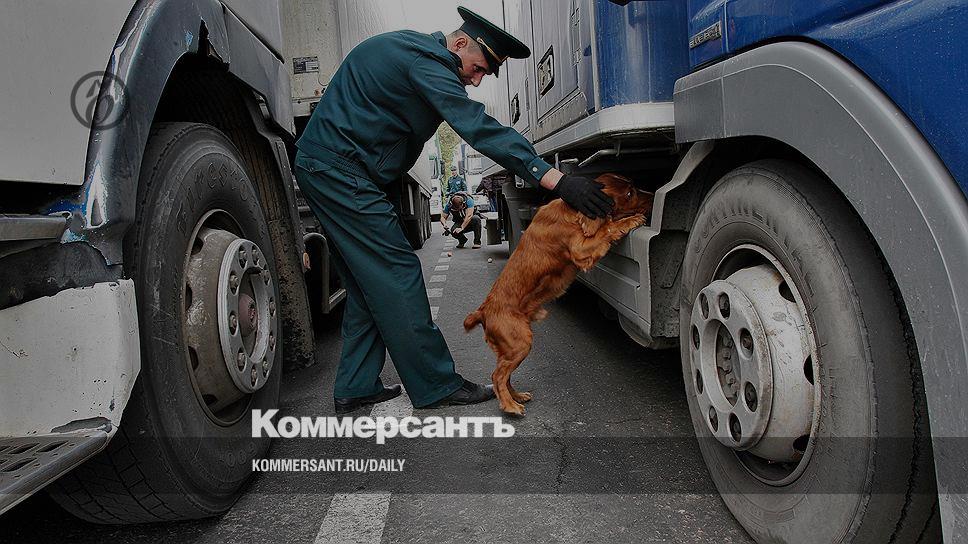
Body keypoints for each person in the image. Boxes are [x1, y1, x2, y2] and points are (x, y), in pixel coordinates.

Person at [292, 6, 614, 414]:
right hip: (340, 171)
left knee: (367, 284)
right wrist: (555, 180)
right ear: (460, 43)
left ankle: (355, 385)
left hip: (332, 168)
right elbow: (477, 126)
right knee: (397, 273)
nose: (476, 80)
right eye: (479, 69)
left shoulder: (411, 51)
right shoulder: (428, 61)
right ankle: (436, 385)